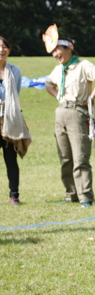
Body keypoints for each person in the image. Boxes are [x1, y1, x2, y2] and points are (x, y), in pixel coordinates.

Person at [43, 25, 95, 208]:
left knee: (80, 157)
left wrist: (91, 97)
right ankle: (70, 194)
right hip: (60, 112)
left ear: (69, 48)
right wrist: (57, 97)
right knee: (65, 157)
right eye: (53, 50)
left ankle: (85, 196)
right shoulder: (58, 69)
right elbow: (49, 84)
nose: (56, 53)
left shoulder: (83, 65)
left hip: (78, 113)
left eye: (59, 49)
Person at [0, 36, 30, 205]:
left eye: (4, 46)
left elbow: (15, 95)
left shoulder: (15, 71)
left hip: (9, 120)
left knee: (11, 159)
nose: (1, 50)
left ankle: (14, 195)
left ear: (9, 50)